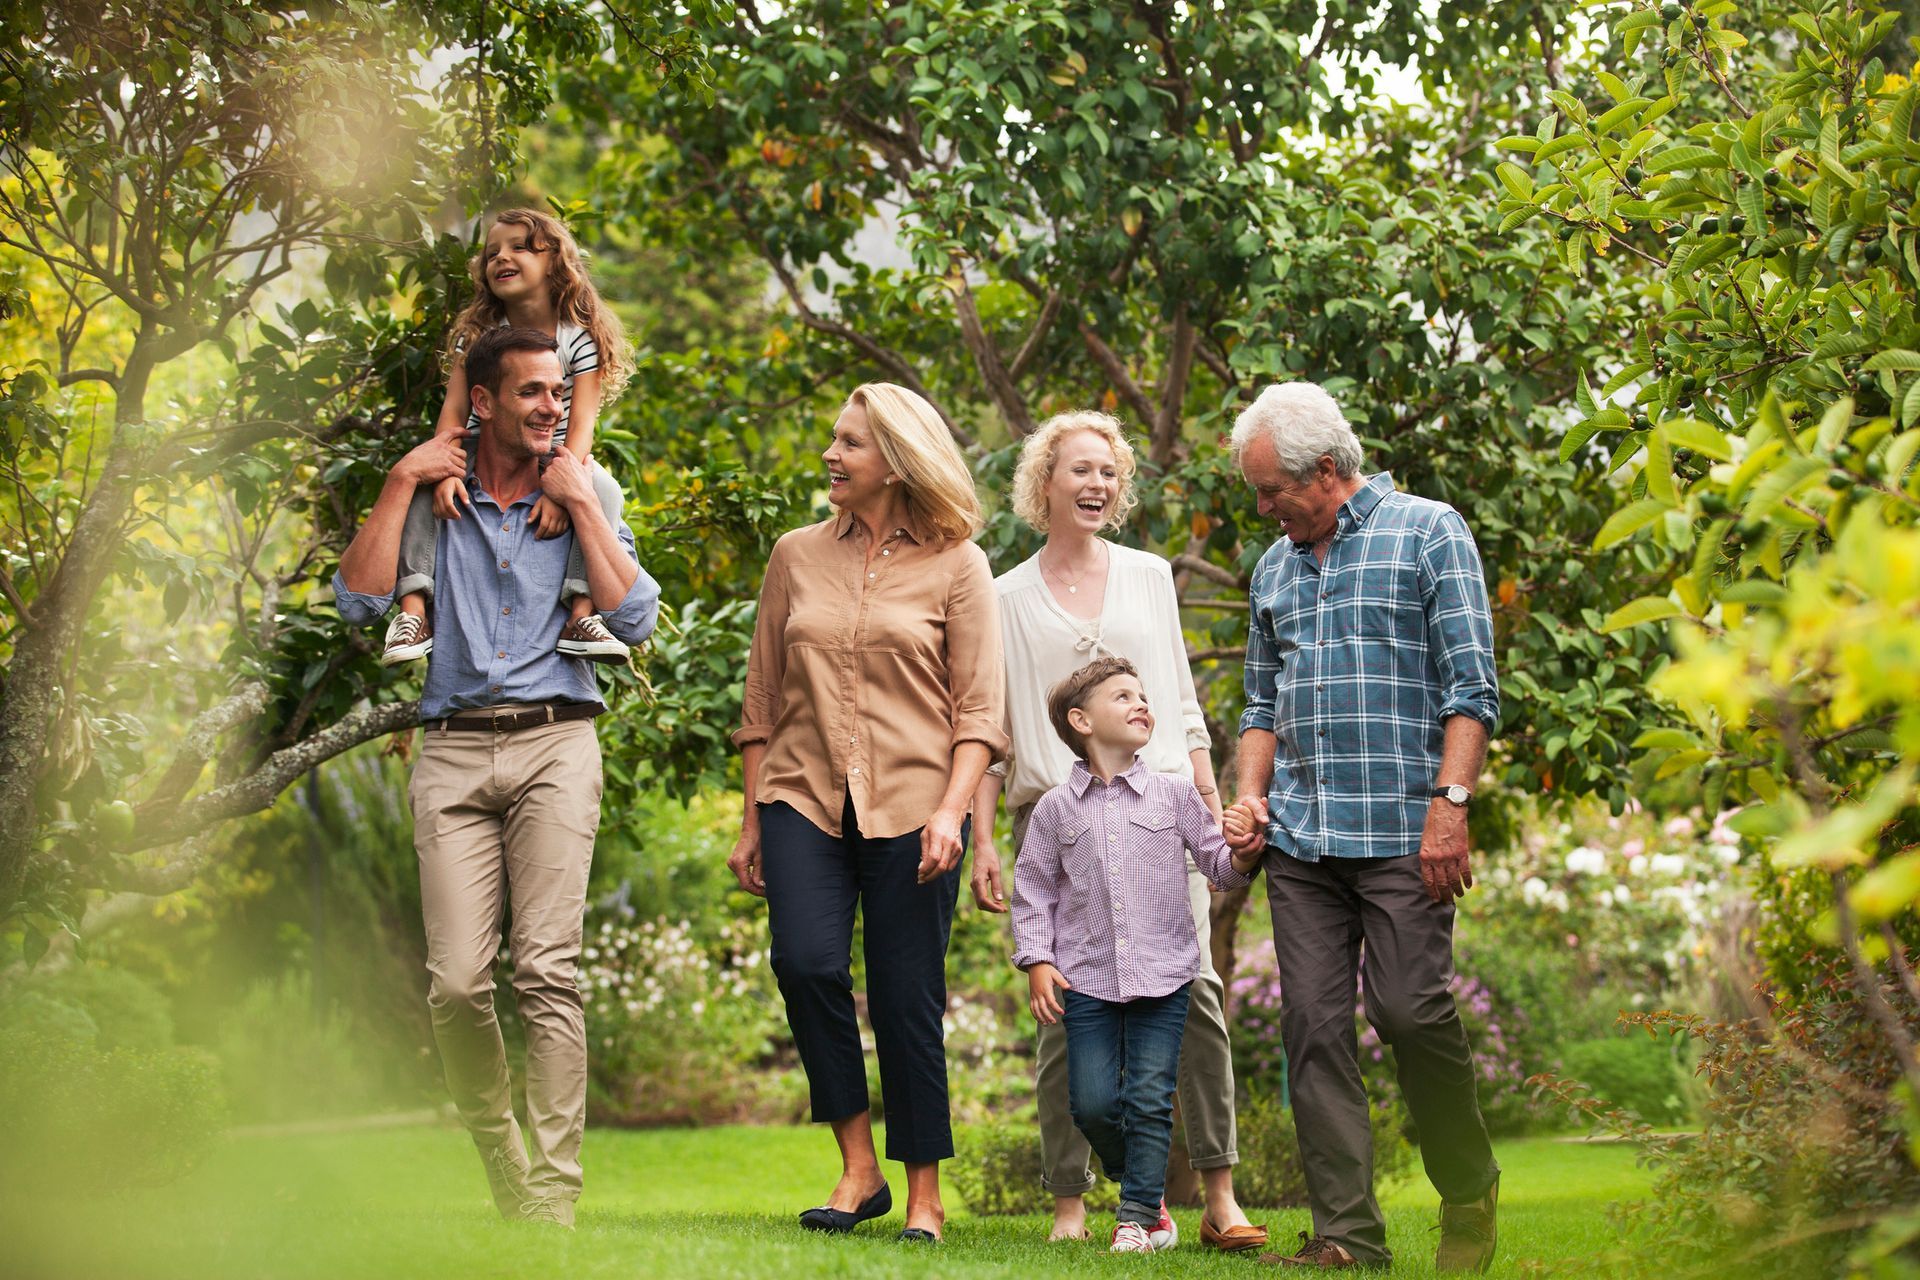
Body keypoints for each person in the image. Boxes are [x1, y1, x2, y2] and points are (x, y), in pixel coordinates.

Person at [332, 326, 660, 1228]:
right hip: (452, 748)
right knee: (458, 984)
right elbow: (359, 600)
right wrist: (400, 478)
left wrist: (584, 506)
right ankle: (502, 1156)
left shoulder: (584, 485)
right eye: (531, 394)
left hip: (558, 740)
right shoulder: (436, 495)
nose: (553, 407)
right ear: (482, 402)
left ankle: (552, 1194)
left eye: (560, 392)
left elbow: (633, 622)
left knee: (547, 971)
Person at [1218, 381, 1501, 1272]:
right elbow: (1260, 704)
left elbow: (1472, 689)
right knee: (1312, 1025)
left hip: (1403, 832)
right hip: (1302, 839)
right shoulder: (1274, 568)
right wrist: (1252, 798)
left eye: (1271, 491)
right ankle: (1347, 1235)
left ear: (1328, 472)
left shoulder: (1429, 532)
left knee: (1409, 1012)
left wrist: (1449, 809)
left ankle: (1468, 1188)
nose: (1263, 509)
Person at [969, 410, 1268, 1252]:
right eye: (1080, 470)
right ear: (1045, 483)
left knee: (1198, 996)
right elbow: (992, 733)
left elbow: (1179, 704)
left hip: (1160, 811)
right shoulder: (1004, 596)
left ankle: (1218, 1194)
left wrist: (1212, 808)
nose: (1097, 484)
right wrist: (985, 838)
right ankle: (1071, 1200)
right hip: (1053, 818)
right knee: (1066, 1010)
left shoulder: (1147, 576)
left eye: (1109, 472)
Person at [726, 382, 1007, 1244]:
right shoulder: (795, 555)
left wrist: (954, 813)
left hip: (918, 804)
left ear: (897, 458)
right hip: (802, 793)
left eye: (849, 444)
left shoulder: (958, 564)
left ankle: (924, 1193)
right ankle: (858, 1167)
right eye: (833, 440)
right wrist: (750, 821)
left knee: (905, 995)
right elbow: (762, 698)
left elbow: (979, 712)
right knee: (806, 964)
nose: (830, 456)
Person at [1012, 657, 1262, 1254]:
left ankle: (1136, 1219)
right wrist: (1038, 960)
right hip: (1088, 979)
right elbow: (1034, 890)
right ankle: (1148, 1197)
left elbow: (1219, 868)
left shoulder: (1174, 794)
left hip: (1165, 975)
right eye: (1122, 697)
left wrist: (1244, 850)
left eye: (1143, 695)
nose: (1141, 704)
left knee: (1149, 1098)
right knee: (1093, 1104)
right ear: (1082, 720)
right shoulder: (1054, 809)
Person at [380, 208, 633, 668]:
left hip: (555, 455)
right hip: (482, 452)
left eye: (519, 247)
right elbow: (454, 412)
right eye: (492, 251)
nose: (501, 257)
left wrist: (562, 492)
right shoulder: (477, 335)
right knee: (416, 484)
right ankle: (413, 612)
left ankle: (582, 612)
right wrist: (444, 471)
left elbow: (581, 427)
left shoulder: (578, 338)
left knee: (604, 490)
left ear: (555, 261)